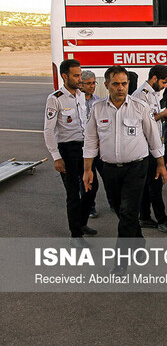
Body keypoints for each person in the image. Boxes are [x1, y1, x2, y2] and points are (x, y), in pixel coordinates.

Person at [82, 65, 167, 275]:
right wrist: (88, 170)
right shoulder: (98, 109)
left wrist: (161, 164)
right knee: (120, 210)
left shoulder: (139, 107)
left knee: (129, 211)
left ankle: (120, 262)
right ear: (107, 85)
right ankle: (137, 240)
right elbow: (91, 141)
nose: (121, 88)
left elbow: (153, 137)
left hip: (136, 167)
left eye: (124, 84)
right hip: (109, 169)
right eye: (116, 84)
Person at [44, 59, 97, 247]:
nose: (79, 79)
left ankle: (81, 223)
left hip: (85, 148)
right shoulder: (56, 98)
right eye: (76, 75)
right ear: (65, 76)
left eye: (80, 75)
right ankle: (75, 235)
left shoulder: (81, 95)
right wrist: (56, 157)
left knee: (92, 187)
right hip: (67, 150)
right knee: (73, 194)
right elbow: (48, 131)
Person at [132, 65, 167, 233]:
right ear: (154, 79)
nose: (165, 86)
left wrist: (163, 117)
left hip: (153, 144)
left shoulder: (152, 94)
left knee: (146, 185)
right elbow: (144, 122)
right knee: (155, 184)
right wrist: (162, 115)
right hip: (146, 146)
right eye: (163, 82)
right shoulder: (140, 96)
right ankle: (162, 219)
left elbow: (153, 119)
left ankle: (144, 216)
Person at [80, 69, 114, 216]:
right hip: (85, 147)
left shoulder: (99, 101)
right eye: (88, 83)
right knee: (89, 180)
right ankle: (89, 207)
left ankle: (114, 203)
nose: (92, 86)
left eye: (94, 83)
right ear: (81, 84)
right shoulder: (77, 101)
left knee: (109, 177)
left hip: (101, 147)